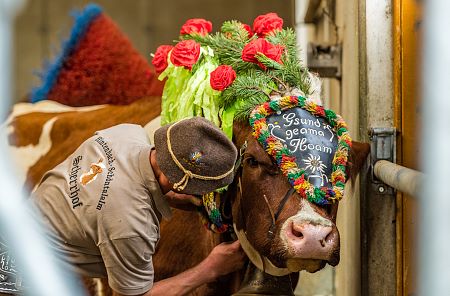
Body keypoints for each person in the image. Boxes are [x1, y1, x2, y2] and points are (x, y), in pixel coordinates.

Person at [31, 116, 246, 296]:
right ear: (181, 186)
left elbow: (110, 187)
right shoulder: (131, 226)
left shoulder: (127, 133)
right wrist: (211, 268)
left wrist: (169, 196)